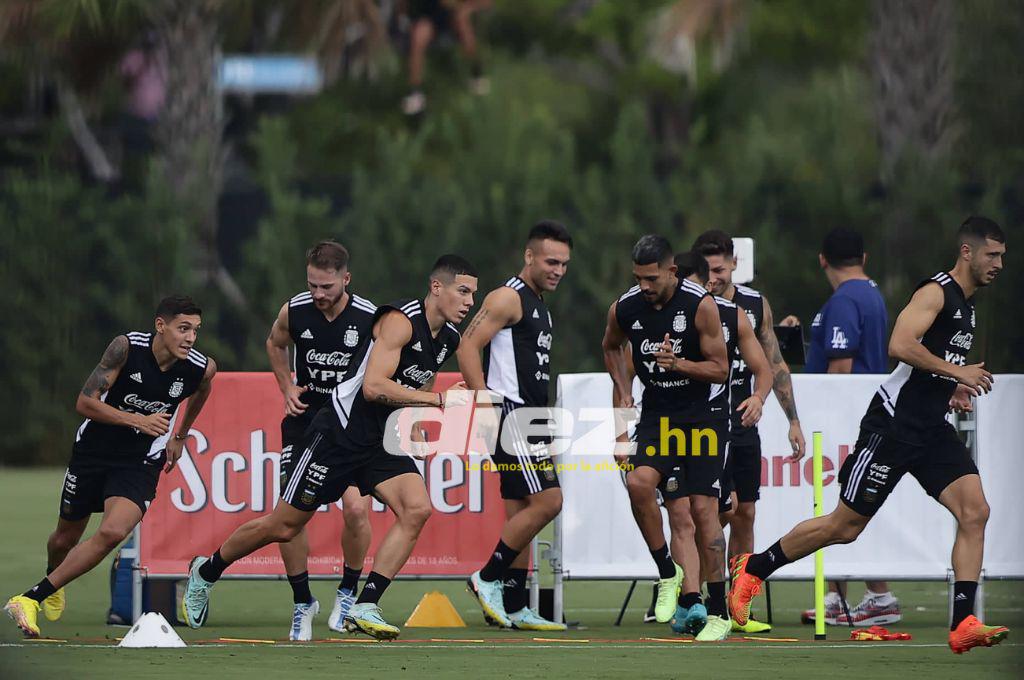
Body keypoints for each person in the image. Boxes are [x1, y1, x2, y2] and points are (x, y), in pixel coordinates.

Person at [728, 217, 1009, 655]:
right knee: (845, 526)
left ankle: (963, 622)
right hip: (893, 425)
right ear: (967, 252)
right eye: (992, 254)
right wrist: (957, 371)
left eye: (1003, 257)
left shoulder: (968, 308)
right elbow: (900, 345)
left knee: (976, 511)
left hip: (929, 429)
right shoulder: (936, 291)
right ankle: (754, 569)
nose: (999, 264)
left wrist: (949, 386)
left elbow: (923, 361)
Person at [181, 255, 478, 640]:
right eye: (464, 291)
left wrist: (419, 418)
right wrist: (437, 402)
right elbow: (373, 387)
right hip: (339, 433)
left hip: (380, 441)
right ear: (437, 287)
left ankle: (366, 603)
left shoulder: (449, 339)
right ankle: (206, 571)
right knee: (284, 525)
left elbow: (419, 383)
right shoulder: (399, 322)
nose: (470, 301)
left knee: (417, 509)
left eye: (473, 293)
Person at [4, 296, 217, 638]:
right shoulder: (125, 348)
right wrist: (137, 419)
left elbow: (203, 389)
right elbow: (84, 402)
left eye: (195, 330)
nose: (191, 338)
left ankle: (29, 599)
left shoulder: (199, 367)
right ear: (160, 326)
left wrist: (180, 434)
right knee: (64, 538)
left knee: (113, 532)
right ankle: (54, 576)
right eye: (183, 329)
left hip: (139, 461)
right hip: (93, 453)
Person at [602, 235, 732, 641]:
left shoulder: (700, 304)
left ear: (672, 271)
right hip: (659, 416)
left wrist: (679, 364)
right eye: (638, 277)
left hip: (704, 419)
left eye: (652, 278)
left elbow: (720, 369)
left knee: (704, 512)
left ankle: (718, 610)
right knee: (638, 482)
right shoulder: (625, 307)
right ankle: (667, 573)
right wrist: (623, 392)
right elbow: (610, 347)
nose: (644, 285)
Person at [457, 221, 572, 631]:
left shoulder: (539, 304)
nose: (558, 269)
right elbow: (467, 344)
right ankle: (486, 577)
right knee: (549, 502)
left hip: (530, 417)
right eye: (551, 261)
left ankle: (515, 603)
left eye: (564, 263)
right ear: (529, 256)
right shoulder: (508, 297)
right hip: (511, 414)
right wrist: (482, 397)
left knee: (523, 510)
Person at [692, 230, 806, 631]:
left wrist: (792, 420)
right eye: (706, 270)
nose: (713, 278)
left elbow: (774, 364)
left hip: (742, 422)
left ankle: (739, 605)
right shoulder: (689, 304)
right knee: (712, 511)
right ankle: (693, 592)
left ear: (734, 265)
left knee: (746, 512)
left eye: (720, 270)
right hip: (702, 423)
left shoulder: (755, 305)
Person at [266, 241, 377, 640]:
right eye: (312, 285)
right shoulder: (294, 310)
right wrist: (286, 387)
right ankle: (302, 603)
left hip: (349, 425)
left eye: (327, 287)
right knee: (288, 517)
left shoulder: (369, 317)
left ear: (346, 279)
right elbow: (275, 343)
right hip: (304, 421)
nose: (318, 294)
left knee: (356, 511)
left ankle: (347, 592)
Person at [800, 228, 899, 627]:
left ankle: (871, 595)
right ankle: (847, 594)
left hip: (845, 419)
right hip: (866, 416)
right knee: (847, 504)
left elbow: (840, 370)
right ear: (865, 256)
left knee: (839, 503)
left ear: (822, 259)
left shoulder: (844, 300)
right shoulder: (871, 295)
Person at [402, 0, 492, 115]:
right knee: (419, 36)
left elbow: (486, 4)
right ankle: (415, 92)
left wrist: (468, 8)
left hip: (452, 17)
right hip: (429, 18)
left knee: (463, 22)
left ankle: (476, 72)